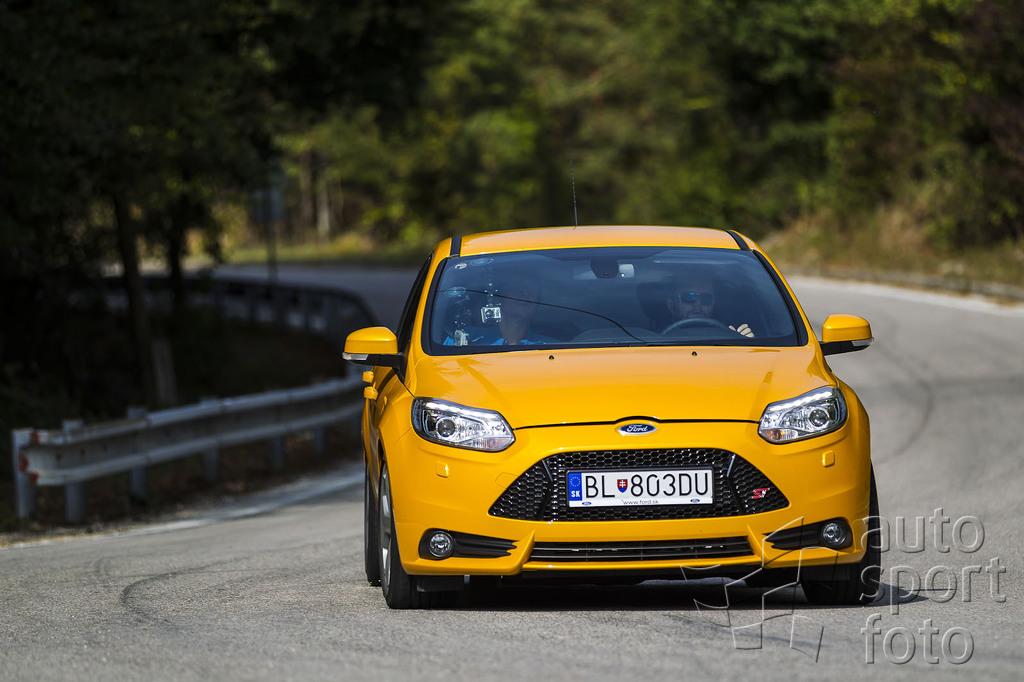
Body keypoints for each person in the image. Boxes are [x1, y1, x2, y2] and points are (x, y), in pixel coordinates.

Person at [445, 274, 555, 346]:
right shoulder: (463, 340)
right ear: (497, 298)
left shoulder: (551, 348)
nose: (525, 294)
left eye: (532, 289)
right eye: (517, 287)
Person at [664, 273, 755, 338]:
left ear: (713, 304)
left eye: (705, 298)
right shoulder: (656, 340)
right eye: (689, 297)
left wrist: (746, 344)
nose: (698, 304)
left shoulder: (730, 336)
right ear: (671, 305)